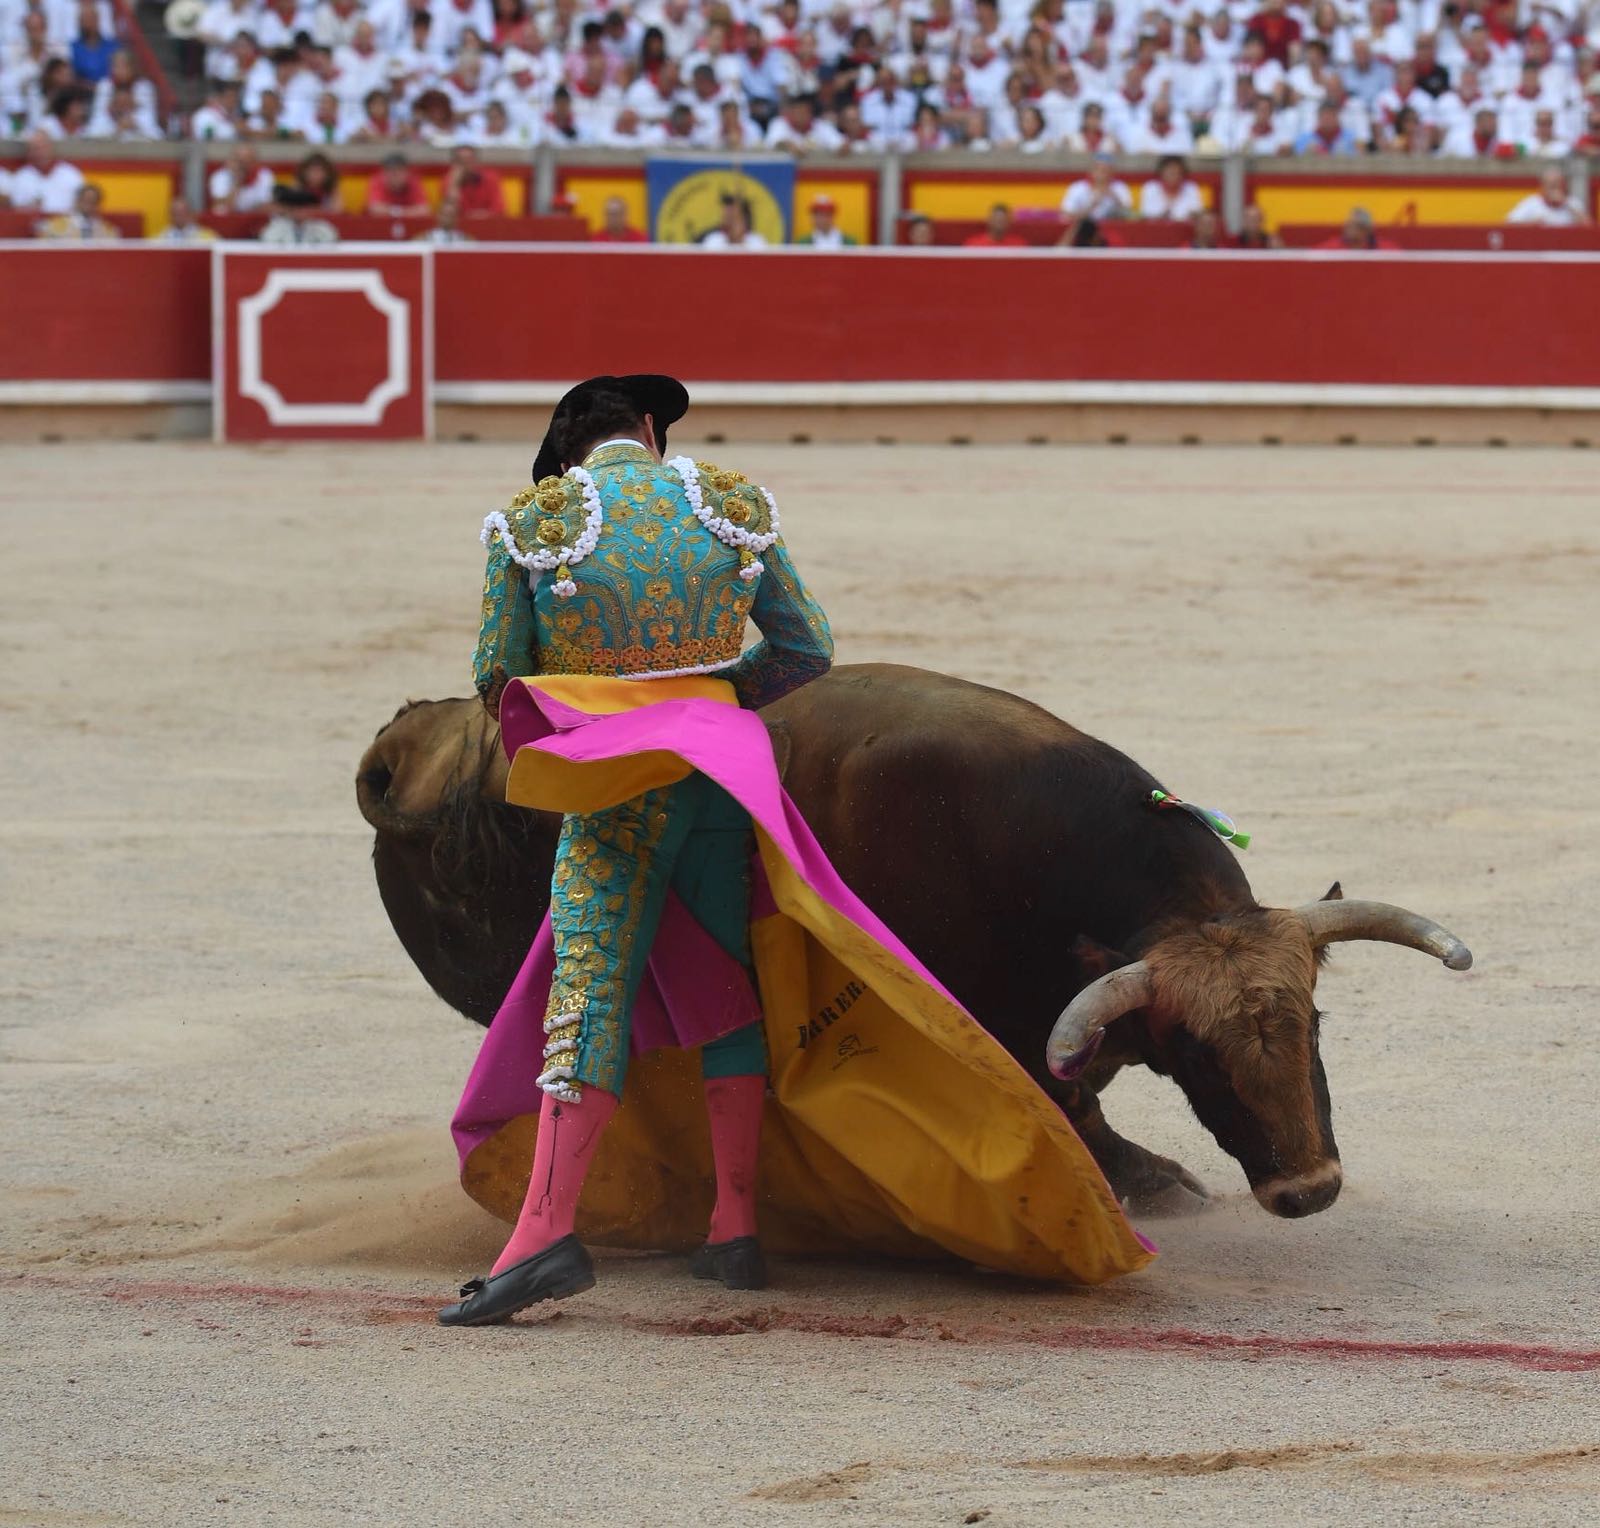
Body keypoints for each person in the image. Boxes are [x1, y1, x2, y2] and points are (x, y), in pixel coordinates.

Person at [443, 376, 1149, 1323]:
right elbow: (805, 648)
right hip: (726, 779)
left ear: (570, 453)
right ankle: (734, 1228)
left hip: (617, 790)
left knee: (589, 988)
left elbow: (497, 675)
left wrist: (599, 714)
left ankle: (542, 1236)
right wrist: (709, 705)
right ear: (650, 430)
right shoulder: (729, 504)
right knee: (725, 974)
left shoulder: (531, 522)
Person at [6, 132, 86, 214]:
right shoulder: (21, 177)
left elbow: (84, 205)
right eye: (35, 149)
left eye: (43, 148)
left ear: (51, 147)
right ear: (29, 153)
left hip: (68, 222)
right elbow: (15, 209)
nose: (40, 153)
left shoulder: (71, 174)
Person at [1507, 168, 1590, 227]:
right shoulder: (1531, 203)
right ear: (1542, 186)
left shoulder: (1572, 202)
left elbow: (1589, 226)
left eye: (1557, 183)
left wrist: (1566, 204)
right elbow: (1510, 225)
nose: (1554, 187)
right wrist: (1532, 224)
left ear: (1563, 184)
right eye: (1550, 184)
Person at [36, 181, 121, 239]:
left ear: (98, 205)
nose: (88, 205)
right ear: (76, 201)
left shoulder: (108, 231)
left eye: (92, 201)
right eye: (84, 200)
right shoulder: (54, 226)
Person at [259, 182, 339, 242]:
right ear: (288, 209)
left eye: (303, 208)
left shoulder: (322, 229)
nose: (300, 212)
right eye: (295, 208)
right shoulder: (275, 228)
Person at [1061, 157, 1132, 223]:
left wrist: (1115, 199)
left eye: (1106, 170)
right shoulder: (1077, 188)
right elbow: (1066, 217)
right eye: (1098, 169)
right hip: (1084, 230)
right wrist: (1091, 206)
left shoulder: (1120, 188)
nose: (1102, 174)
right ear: (1091, 171)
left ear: (1112, 172)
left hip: (1112, 229)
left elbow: (1129, 215)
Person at [209, 144, 275, 212]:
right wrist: (237, 182)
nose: (242, 165)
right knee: (220, 210)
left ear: (255, 161)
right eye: (239, 161)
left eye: (247, 161)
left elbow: (266, 205)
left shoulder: (264, 174)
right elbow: (221, 205)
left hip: (255, 217)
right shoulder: (220, 176)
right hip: (230, 217)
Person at [1139, 154, 1204, 220]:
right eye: (1170, 172)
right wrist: (1161, 217)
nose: (1174, 176)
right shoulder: (1150, 188)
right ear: (1161, 173)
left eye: (1177, 172)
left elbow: (1198, 216)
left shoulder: (1191, 188)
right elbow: (1145, 217)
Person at [366, 151, 430, 216]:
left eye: (399, 170)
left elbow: (424, 210)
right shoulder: (377, 180)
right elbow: (375, 209)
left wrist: (394, 211)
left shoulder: (413, 181)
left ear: (407, 172)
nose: (395, 175)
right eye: (391, 170)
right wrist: (403, 212)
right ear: (384, 172)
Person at [700, 193, 767, 248]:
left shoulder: (757, 243)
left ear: (745, 221)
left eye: (733, 219)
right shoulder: (713, 242)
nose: (728, 224)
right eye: (725, 218)